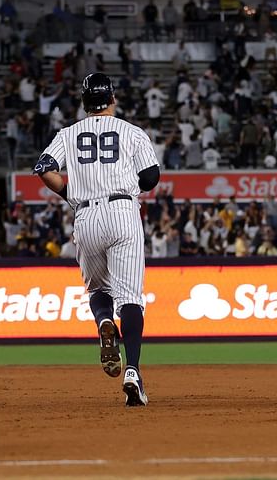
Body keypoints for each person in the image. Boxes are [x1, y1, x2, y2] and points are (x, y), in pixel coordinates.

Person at [34, 72, 160, 407]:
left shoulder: (68, 133)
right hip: (122, 211)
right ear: (113, 99)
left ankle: (104, 322)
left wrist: (72, 194)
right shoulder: (131, 132)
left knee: (98, 291)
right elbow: (150, 177)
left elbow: (44, 167)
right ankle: (132, 371)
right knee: (131, 298)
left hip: (86, 215)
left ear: (84, 102)